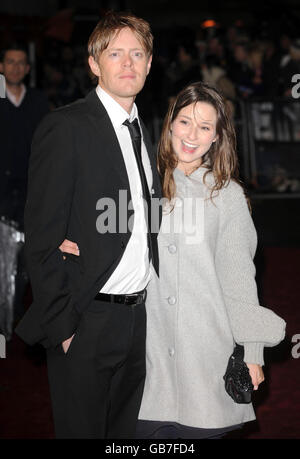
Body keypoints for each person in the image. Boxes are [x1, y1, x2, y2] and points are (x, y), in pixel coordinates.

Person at [60, 82, 286, 439]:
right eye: (184, 121)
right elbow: (110, 248)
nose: (192, 135)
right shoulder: (142, 184)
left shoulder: (226, 196)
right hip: (145, 356)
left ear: (217, 137)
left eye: (205, 127)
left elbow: (240, 278)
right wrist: (72, 241)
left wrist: (253, 349)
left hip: (205, 355)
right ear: (169, 124)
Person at [15, 11, 162, 439]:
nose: (128, 63)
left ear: (150, 64)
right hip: (87, 319)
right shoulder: (66, 127)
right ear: (94, 63)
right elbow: (41, 237)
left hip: (140, 320)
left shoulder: (144, 131)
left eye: (138, 53)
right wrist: (64, 328)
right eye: (115, 53)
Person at [0, 43, 49, 227]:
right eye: (10, 62)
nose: (16, 67)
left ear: (27, 68)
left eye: (21, 63)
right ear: (1, 66)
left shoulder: (37, 100)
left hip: (30, 186)